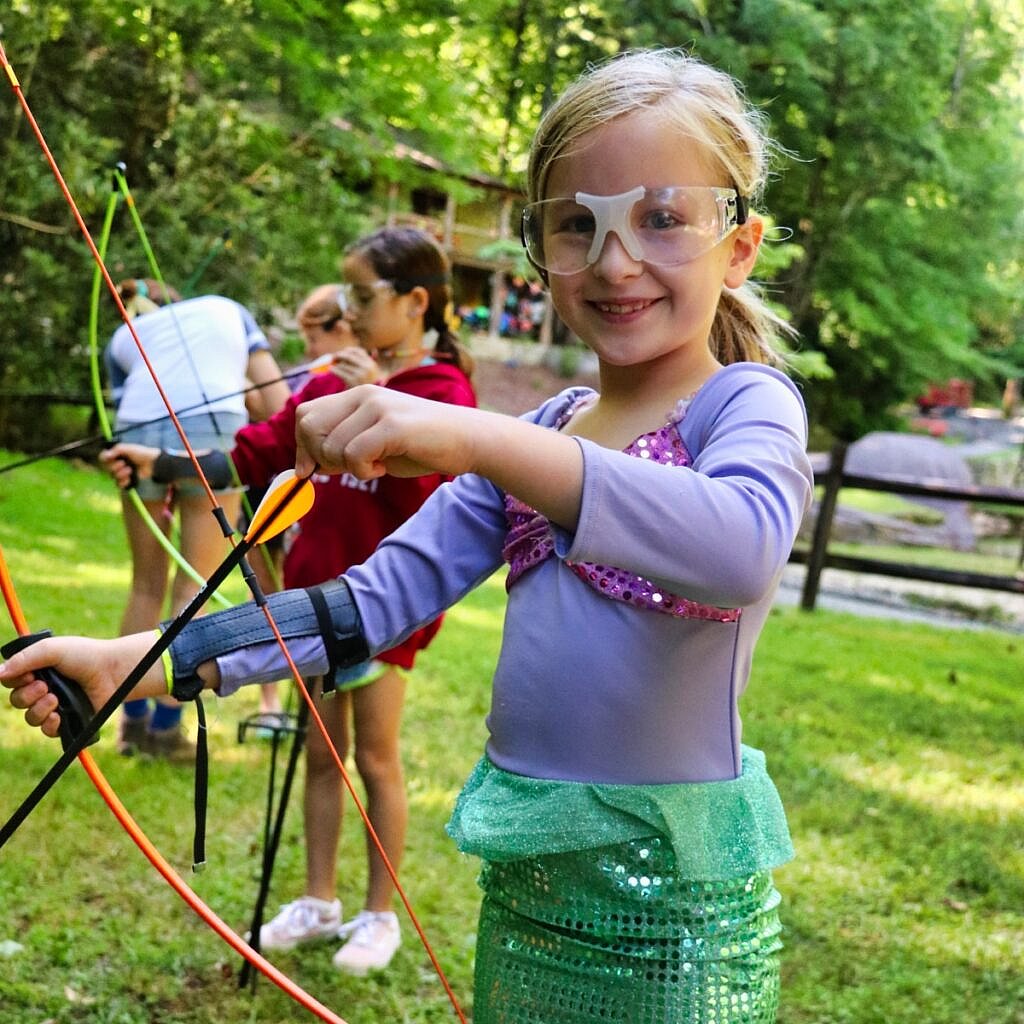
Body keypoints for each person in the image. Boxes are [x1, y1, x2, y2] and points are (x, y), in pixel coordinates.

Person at [3, 49, 814, 1023]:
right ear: (540, 245)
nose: (614, 259)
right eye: (576, 223)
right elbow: (360, 608)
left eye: (662, 217)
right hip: (532, 901)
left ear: (740, 245)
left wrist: (476, 435)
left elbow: (739, 546)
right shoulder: (546, 432)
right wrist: (137, 661)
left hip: (676, 912)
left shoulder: (745, 404)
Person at [103, 233, 477, 975]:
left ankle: (378, 915)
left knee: (374, 759)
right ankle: (319, 900)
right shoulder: (330, 380)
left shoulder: (443, 395)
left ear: (415, 303)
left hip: (381, 609)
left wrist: (375, 396)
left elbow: (427, 501)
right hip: (311, 603)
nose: (348, 312)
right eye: (345, 296)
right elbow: (255, 452)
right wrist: (163, 461)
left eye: (363, 298)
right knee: (319, 753)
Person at [106, 280, 291, 759]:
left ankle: (130, 729)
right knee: (195, 585)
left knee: (145, 583)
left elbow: (117, 405)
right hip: (211, 427)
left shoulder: (123, 336)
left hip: (134, 429)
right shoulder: (227, 308)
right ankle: (166, 732)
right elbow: (279, 404)